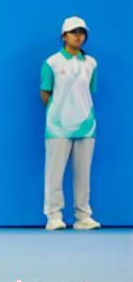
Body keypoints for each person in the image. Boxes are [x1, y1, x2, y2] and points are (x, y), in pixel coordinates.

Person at [40, 16, 100, 230]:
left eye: (82, 32)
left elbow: (89, 92)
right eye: (74, 32)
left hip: (86, 127)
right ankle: (54, 216)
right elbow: (45, 93)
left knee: (83, 175)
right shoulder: (52, 62)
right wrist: (58, 113)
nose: (78, 36)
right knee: (54, 174)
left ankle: (83, 217)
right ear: (64, 36)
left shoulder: (91, 63)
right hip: (57, 128)